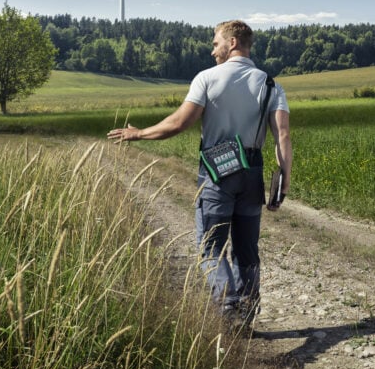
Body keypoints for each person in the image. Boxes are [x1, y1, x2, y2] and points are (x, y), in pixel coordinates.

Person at [107, 19, 292, 327]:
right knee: (247, 249)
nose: (212, 50)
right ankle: (246, 313)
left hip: (217, 173)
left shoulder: (207, 78)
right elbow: (282, 136)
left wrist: (138, 134)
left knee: (210, 246)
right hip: (252, 173)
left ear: (232, 42)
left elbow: (180, 123)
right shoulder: (271, 84)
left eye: (215, 42)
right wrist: (282, 185)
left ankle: (230, 307)